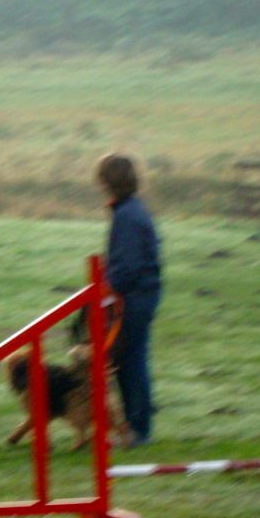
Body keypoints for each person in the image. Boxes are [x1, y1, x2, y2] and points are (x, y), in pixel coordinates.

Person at [97, 153, 162, 448]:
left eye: (102, 180)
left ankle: (138, 429)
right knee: (129, 360)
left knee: (131, 362)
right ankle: (132, 427)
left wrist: (106, 291)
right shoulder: (131, 211)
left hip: (135, 298)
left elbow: (127, 267)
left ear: (109, 182)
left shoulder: (127, 216)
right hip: (141, 295)